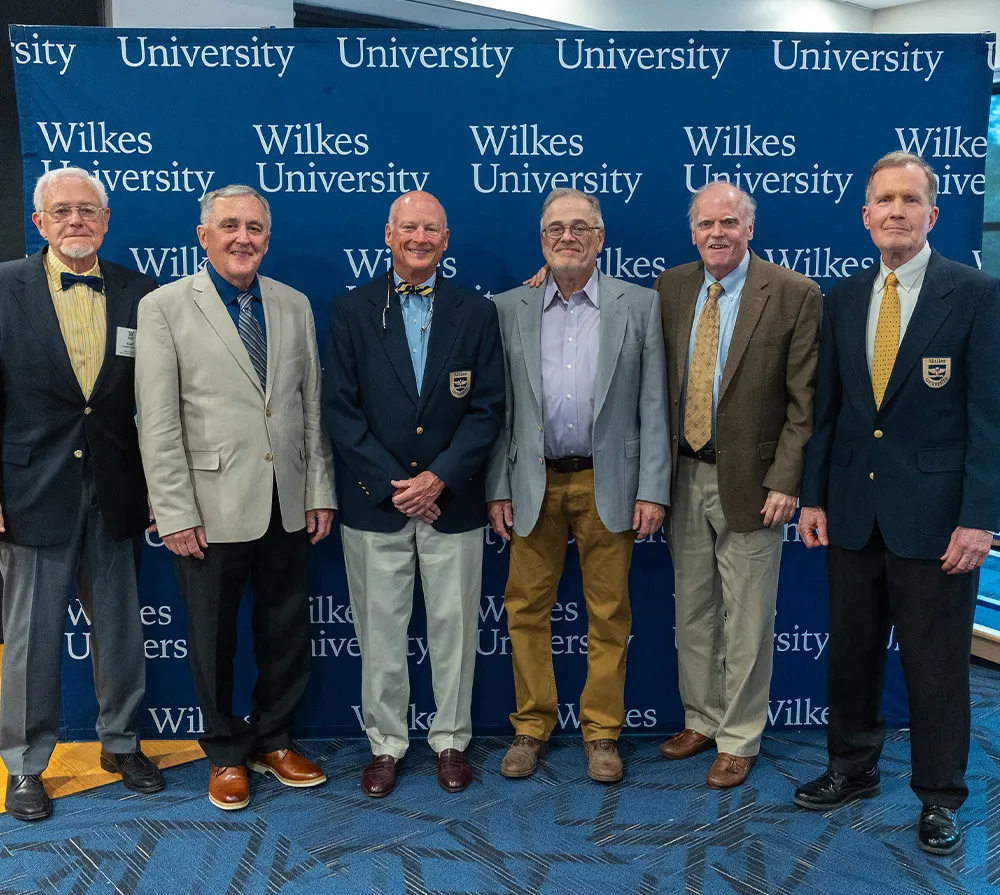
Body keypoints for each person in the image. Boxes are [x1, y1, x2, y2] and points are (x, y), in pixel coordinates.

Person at [795, 151, 1000, 855]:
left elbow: (990, 418)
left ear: (932, 215)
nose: (896, 212)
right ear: (865, 216)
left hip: (940, 521)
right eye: (883, 200)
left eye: (910, 201)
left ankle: (940, 796)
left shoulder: (975, 293)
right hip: (852, 508)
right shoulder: (843, 298)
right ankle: (850, 769)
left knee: (936, 664)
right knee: (851, 654)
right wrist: (815, 496)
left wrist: (979, 517)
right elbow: (830, 412)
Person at [135, 184, 335, 811]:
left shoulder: (294, 304)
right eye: (229, 226)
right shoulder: (165, 306)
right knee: (211, 637)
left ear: (267, 239)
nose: (243, 238)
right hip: (208, 505)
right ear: (204, 236)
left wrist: (318, 488)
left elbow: (309, 407)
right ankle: (224, 751)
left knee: (285, 632)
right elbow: (158, 417)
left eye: (254, 227)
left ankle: (273, 738)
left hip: (286, 499)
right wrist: (174, 510)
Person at [324, 191, 504, 797]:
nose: (420, 237)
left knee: (455, 629)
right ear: (389, 235)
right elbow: (341, 411)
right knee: (380, 632)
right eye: (410, 228)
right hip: (375, 503)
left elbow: (487, 409)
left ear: (446, 240)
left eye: (432, 228)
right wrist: (397, 485)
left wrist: (439, 479)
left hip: (452, 501)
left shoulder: (476, 313)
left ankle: (452, 739)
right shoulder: (351, 311)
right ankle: (386, 744)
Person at [486, 188, 669, 783]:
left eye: (580, 228)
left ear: (600, 237)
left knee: (610, 613)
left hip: (607, 480)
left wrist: (653, 488)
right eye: (556, 229)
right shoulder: (508, 307)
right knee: (525, 610)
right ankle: (531, 726)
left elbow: (653, 403)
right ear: (542, 239)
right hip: (531, 481)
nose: (568, 237)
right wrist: (497, 486)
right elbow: (500, 410)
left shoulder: (639, 305)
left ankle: (602, 733)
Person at [0, 167, 164, 821]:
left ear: (105, 220)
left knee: (122, 629)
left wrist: (157, 485)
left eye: (88, 211)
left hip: (118, 487)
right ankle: (25, 764)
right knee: (33, 635)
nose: (76, 221)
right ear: (39, 222)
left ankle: (121, 743)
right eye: (62, 211)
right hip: (30, 487)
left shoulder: (139, 292)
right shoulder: (4, 289)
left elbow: (154, 404)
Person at [654, 182, 821, 788]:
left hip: (757, 484)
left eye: (729, 222)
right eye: (705, 224)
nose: (716, 234)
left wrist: (787, 481)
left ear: (749, 228)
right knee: (694, 611)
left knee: (748, 616)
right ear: (692, 232)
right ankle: (700, 719)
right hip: (682, 474)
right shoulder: (670, 288)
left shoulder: (795, 294)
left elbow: (805, 404)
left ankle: (740, 735)